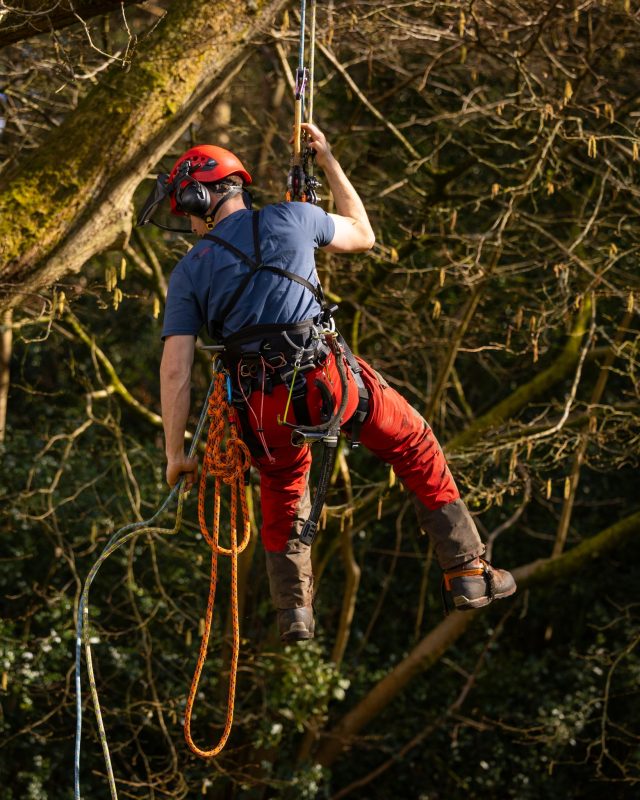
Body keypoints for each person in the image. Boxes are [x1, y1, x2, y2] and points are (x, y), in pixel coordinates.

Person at [150, 122, 516, 642]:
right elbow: (363, 234)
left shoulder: (189, 270)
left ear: (200, 198)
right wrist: (328, 161)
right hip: (327, 381)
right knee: (413, 443)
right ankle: (466, 570)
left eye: (185, 210)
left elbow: (175, 368)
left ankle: (294, 612)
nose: (187, 223)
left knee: (282, 484)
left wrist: (175, 454)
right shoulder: (295, 217)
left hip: (260, 406)